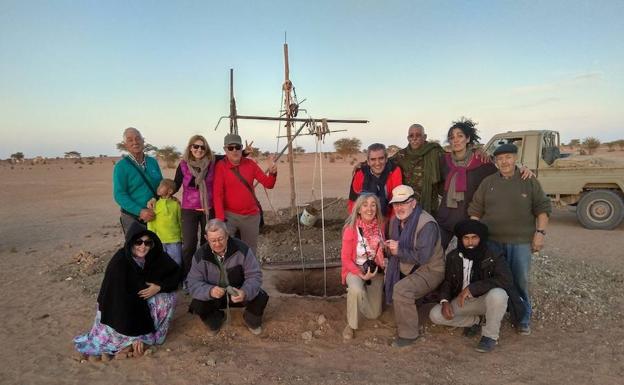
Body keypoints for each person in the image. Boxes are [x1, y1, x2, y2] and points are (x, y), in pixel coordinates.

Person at [468, 143, 552, 336]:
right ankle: (489, 314)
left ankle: (522, 317)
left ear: (516, 158)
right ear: (495, 161)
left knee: (519, 280)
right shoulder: (488, 183)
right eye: (500, 158)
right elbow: (475, 210)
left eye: (508, 157)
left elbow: (543, 208)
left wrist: (540, 233)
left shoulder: (528, 180)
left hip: (520, 242)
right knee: (489, 279)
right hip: (492, 242)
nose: (504, 161)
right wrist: (475, 237)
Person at [74, 223, 179, 359]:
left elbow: (176, 273)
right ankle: (136, 339)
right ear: (130, 242)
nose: (143, 246)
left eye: (147, 243)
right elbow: (121, 302)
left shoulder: (154, 256)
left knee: (169, 297)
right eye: (138, 242)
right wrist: (137, 335)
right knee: (157, 302)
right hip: (118, 313)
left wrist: (159, 287)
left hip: (141, 302)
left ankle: (153, 335)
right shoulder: (120, 264)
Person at [429, 219, 522, 353]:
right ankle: (476, 321)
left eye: (474, 238)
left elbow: (506, 280)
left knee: (499, 295)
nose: (470, 242)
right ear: (461, 239)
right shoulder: (453, 257)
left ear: (481, 238)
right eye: (466, 238)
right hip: (463, 301)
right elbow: (447, 282)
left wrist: (473, 288)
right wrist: (444, 301)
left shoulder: (493, 254)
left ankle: (490, 336)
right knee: (435, 315)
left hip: (485, 300)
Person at [384, 185, 445, 347]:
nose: (399, 207)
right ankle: (413, 305)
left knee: (401, 289)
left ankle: (408, 334)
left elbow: (422, 258)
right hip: (408, 265)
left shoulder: (427, 224)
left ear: (413, 203)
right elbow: (394, 249)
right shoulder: (394, 220)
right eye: (396, 204)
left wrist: (398, 250)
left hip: (430, 270)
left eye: (404, 203)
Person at [186, 219, 269, 335]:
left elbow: (254, 275)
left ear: (227, 235)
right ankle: (217, 319)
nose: (217, 244)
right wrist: (209, 291)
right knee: (197, 304)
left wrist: (244, 292)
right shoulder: (200, 256)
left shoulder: (242, 249)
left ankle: (251, 320)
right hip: (215, 296)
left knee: (260, 297)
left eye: (220, 239)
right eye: (213, 240)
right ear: (206, 238)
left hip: (238, 293)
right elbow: (193, 283)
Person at [436, 119, 498, 249]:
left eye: (460, 136)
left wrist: (522, 169)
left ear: (468, 138)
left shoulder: (481, 162)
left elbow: (503, 174)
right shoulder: (443, 161)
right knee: (436, 253)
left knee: (467, 257)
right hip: (445, 218)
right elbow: (438, 183)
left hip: (469, 219)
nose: (456, 140)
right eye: (452, 137)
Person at [213, 133, 277, 255]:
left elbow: (269, 184)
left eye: (237, 147)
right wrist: (220, 219)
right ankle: (228, 273)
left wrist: (273, 173)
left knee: (250, 251)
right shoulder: (221, 167)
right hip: (229, 216)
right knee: (225, 249)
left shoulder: (250, 164)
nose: (234, 150)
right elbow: (218, 195)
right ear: (225, 149)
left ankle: (250, 273)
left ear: (241, 148)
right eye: (230, 148)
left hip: (251, 216)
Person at [340, 194, 386, 340]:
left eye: (373, 205)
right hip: (355, 268)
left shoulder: (380, 225)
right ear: (359, 209)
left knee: (374, 314)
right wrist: (360, 275)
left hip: (374, 269)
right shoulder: (351, 229)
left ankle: (361, 297)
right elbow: (345, 259)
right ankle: (351, 324)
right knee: (355, 289)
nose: (369, 208)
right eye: (365, 205)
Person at [173, 135, 216, 280]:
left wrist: (245, 153)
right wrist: (159, 196)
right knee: (189, 245)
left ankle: (205, 275)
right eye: (196, 146)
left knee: (207, 244)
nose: (199, 149)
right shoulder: (183, 165)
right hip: (189, 210)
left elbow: (229, 157)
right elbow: (176, 184)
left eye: (202, 147)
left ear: (206, 149)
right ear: (190, 148)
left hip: (208, 209)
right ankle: (188, 276)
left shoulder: (212, 163)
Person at [113, 127, 163, 233]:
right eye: (130, 140)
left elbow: (161, 185)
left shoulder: (152, 162)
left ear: (143, 141)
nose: (135, 142)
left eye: (137, 138)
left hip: (155, 215)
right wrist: (140, 211)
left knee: (157, 246)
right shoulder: (121, 166)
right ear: (125, 144)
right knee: (137, 247)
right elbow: (119, 194)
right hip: (133, 217)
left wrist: (163, 197)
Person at [390, 123, 444, 215]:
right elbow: (382, 163)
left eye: (418, 135)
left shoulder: (435, 152)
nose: (414, 138)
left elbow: (454, 159)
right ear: (408, 138)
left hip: (430, 207)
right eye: (411, 136)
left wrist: (475, 152)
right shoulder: (401, 155)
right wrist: (361, 165)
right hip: (408, 207)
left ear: (425, 137)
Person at [348, 143, 403, 218]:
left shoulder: (394, 171)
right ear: (368, 161)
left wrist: (391, 226)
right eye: (373, 159)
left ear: (386, 159)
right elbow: (353, 203)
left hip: (388, 217)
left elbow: (397, 202)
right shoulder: (360, 173)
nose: (377, 163)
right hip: (365, 218)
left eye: (381, 158)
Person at [147, 178, 183, 266]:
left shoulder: (176, 205)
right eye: (159, 185)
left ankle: (177, 278)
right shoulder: (155, 205)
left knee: (177, 262)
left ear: (170, 191)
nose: (158, 188)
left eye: (162, 186)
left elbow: (180, 221)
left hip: (174, 240)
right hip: (159, 240)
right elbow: (151, 222)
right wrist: (151, 237)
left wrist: (182, 236)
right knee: (160, 263)